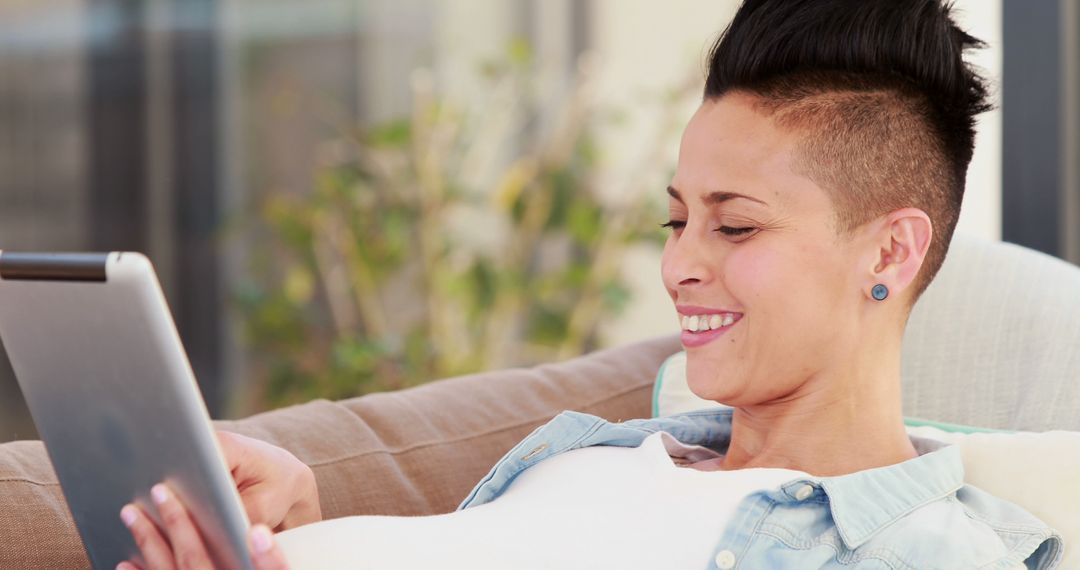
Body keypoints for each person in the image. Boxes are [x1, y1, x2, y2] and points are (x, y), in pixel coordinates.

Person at [117, 0, 1064, 568]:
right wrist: (314, 531)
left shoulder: (920, 552)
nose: (679, 262)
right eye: (678, 216)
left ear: (891, 255)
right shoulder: (590, 453)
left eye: (735, 224)